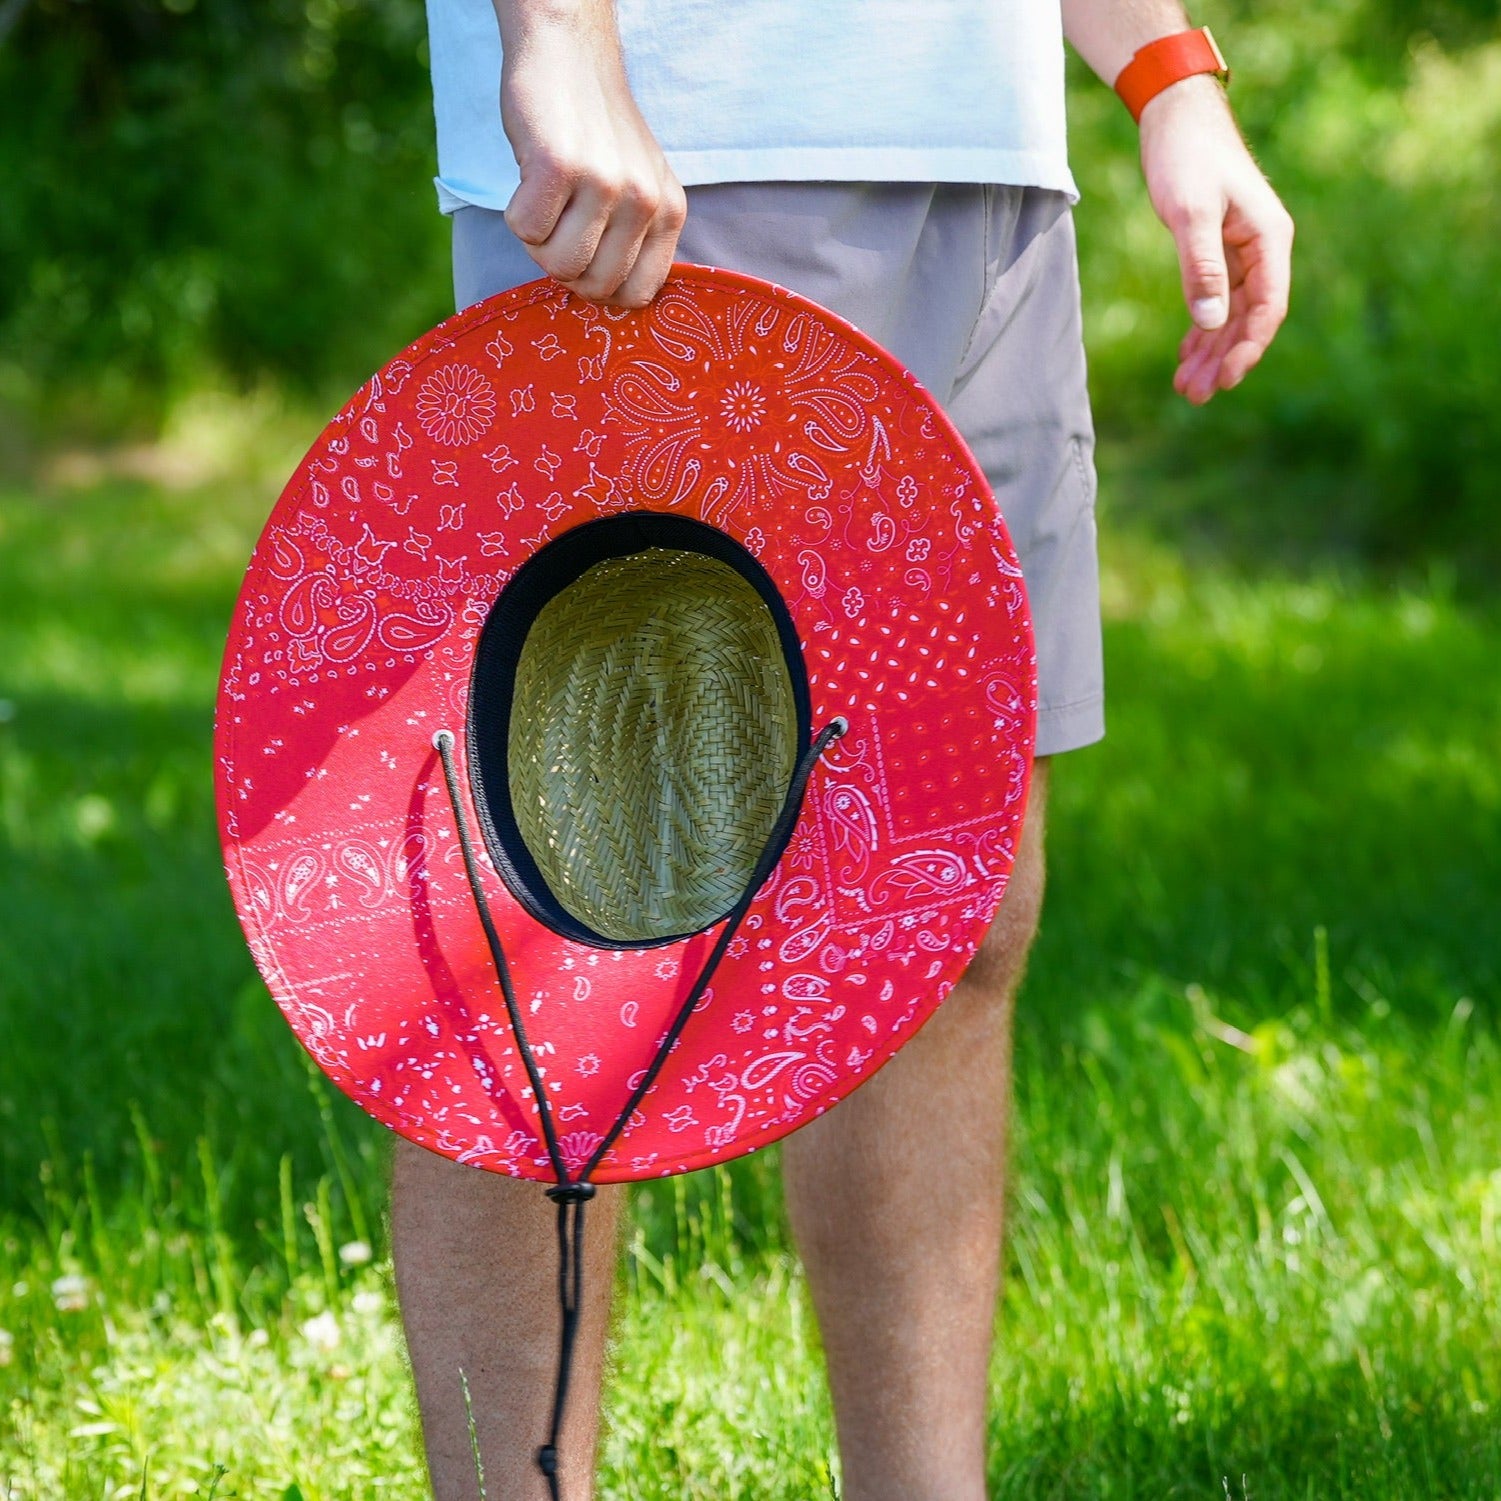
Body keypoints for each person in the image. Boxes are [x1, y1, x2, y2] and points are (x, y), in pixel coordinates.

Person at [392, 2, 1294, 1497]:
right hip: (678, 151)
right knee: (560, 924)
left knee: (948, 920)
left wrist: (1160, 70)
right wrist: (557, 41)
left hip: (985, 166)